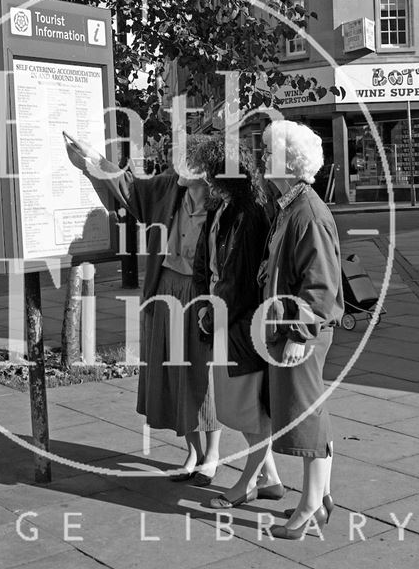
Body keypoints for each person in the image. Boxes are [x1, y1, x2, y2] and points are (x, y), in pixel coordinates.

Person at [65, 134, 222, 484]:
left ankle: (212, 454)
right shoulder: (168, 188)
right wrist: (92, 160)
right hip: (163, 288)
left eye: (191, 159)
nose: (181, 163)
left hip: (199, 295)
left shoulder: (222, 204)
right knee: (170, 371)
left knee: (201, 373)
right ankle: (193, 451)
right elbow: (128, 187)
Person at [259, 120, 344, 539]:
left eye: (266, 155)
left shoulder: (306, 211)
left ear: (287, 164)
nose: (260, 162)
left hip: (302, 334)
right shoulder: (294, 205)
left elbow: (321, 284)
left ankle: (311, 504)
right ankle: (320, 498)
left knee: (307, 417)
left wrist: (297, 334)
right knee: (311, 413)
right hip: (294, 329)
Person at [191, 137, 284, 508]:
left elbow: (241, 281)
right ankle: (271, 477)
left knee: (249, 409)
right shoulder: (225, 211)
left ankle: (247, 482)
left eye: (212, 174)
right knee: (239, 406)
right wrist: (205, 306)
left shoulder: (247, 216)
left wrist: (213, 314)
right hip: (225, 318)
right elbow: (207, 263)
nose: (207, 181)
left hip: (240, 325)